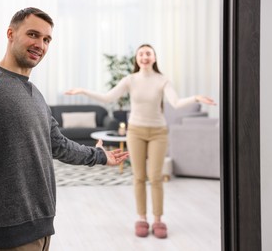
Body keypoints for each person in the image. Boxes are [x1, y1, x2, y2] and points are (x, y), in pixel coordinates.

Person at [0, 7, 129, 251]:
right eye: (33, 34)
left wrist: (100, 156)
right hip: (6, 233)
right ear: (10, 33)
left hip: (41, 226)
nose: (40, 44)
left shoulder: (36, 95)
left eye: (46, 39)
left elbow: (58, 144)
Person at [65, 44, 216, 239]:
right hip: (135, 131)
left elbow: (176, 103)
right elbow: (108, 97)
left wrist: (196, 97)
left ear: (154, 58)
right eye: (141, 54)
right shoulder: (130, 80)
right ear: (137, 59)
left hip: (158, 132)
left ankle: (158, 219)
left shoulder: (162, 80)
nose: (145, 57)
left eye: (148, 53)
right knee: (138, 176)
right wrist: (83, 91)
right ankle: (142, 218)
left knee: (155, 177)